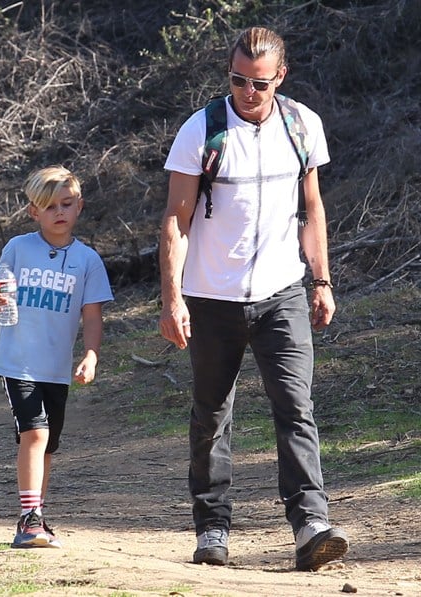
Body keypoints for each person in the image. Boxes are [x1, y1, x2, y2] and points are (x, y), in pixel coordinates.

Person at [159, 26, 349, 571]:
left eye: (259, 83)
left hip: (282, 290)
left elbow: (311, 208)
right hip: (211, 296)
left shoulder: (301, 124)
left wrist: (321, 280)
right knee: (212, 414)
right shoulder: (202, 130)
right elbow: (176, 219)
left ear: (280, 77)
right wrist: (173, 298)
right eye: (239, 80)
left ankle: (312, 526)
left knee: (296, 406)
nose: (248, 91)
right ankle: (213, 529)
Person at [0, 165, 113, 548]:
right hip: (18, 360)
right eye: (49, 205)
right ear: (33, 212)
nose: (59, 212)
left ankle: (36, 512)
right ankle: (28, 518)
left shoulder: (87, 260)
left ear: (79, 207)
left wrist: (90, 354)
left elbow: (92, 315)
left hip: (57, 368)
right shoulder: (19, 248)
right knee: (34, 433)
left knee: (47, 444)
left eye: (67, 204)